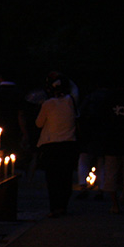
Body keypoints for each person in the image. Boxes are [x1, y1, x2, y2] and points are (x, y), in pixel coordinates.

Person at [35, 72, 79, 217]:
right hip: (68, 144)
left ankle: (54, 207)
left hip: (51, 145)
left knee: (53, 178)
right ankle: (64, 206)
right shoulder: (71, 101)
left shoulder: (48, 104)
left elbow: (39, 123)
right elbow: (75, 88)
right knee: (66, 177)